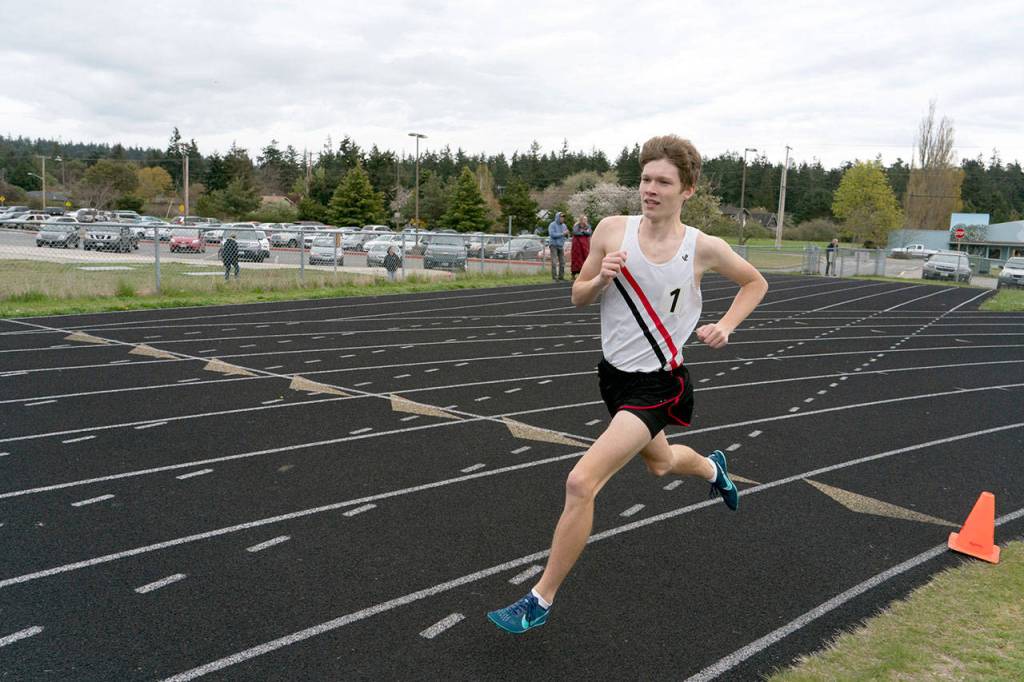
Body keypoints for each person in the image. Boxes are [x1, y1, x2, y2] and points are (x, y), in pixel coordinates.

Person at [487, 135, 769, 634]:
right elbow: (577, 296)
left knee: (581, 481)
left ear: (688, 190)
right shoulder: (612, 231)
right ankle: (712, 469)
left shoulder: (702, 247)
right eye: (645, 179)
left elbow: (756, 282)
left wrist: (725, 325)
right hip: (613, 378)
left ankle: (539, 599)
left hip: (662, 384)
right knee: (661, 465)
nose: (650, 189)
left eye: (663, 181)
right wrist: (599, 281)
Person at [548, 211, 570, 281]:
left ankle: (561, 277)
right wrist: (563, 233)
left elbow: (566, 236)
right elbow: (552, 235)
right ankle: (554, 277)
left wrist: (567, 234)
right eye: (561, 217)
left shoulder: (564, 225)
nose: (563, 219)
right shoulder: (552, 225)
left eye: (563, 217)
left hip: (561, 245)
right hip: (553, 245)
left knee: (562, 262)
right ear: (557, 217)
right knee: (554, 262)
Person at [570, 214, 592, 280]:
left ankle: (584, 274)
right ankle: (573, 274)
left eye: (586, 219)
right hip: (577, 245)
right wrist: (584, 232)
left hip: (585, 245)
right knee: (576, 259)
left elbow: (589, 233)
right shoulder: (576, 225)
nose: (585, 221)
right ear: (581, 220)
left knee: (585, 258)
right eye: (584, 219)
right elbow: (575, 232)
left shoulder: (588, 226)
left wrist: (583, 231)